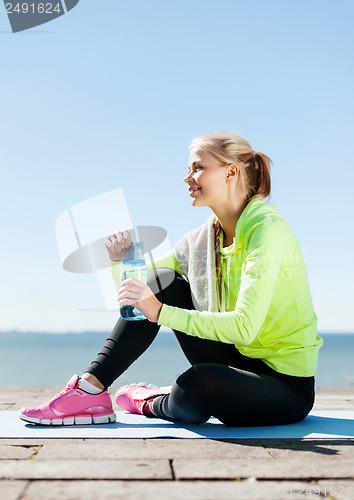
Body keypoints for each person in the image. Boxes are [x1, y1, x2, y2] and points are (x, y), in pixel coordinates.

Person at [19, 132, 323, 427]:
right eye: (189, 169)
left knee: (197, 385)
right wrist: (120, 262)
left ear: (231, 172)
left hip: (285, 386)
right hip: (233, 358)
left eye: (198, 168)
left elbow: (245, 328)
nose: (188, 177)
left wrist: (161, 312)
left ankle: (148, 401)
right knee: (161, 280)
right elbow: (137, 293)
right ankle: (90, 390)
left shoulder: (267, 231)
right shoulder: (201, 240)